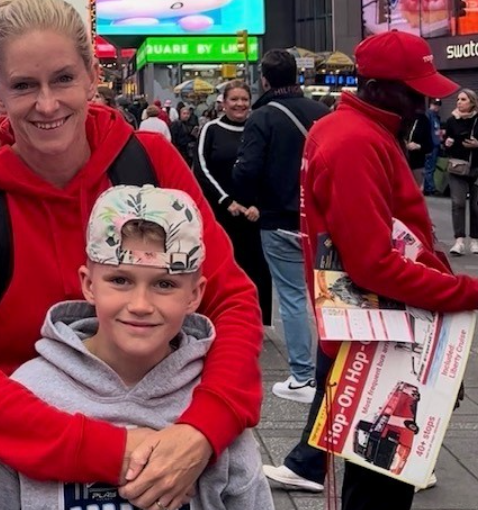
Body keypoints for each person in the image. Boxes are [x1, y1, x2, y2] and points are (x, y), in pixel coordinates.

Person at [0, 0, 264, 509]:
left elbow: (231, 299)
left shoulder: (149, 162)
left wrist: (204, 429)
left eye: (62, 79)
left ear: (92, 75)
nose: (48, 103)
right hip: (14, 470)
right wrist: (114, 449)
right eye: (23, 85)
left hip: (175, 451)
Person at [0, 185, 275, 510]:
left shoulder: (219, 416)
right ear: (89, 285)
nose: (140, 305)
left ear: (195, 295)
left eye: (164, 284)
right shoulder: (27, 396)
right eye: (120, 281)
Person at [300, 29, 476, 510]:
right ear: (377, 86)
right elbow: (373, 264)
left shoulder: (357, 131)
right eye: (413, 92)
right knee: (377, 493)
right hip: (378, 335)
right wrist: (464, 291)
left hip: (374, 328)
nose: (423, 105)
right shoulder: (356, 141)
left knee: (377, 485)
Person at [233, 49, 330, 404]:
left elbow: (247, 170)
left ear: (265, 80)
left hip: (276, 217)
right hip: (320, 220)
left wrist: (249, 195)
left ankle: (303, 377)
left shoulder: (263, 117)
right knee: (325, 296)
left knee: (291, 298)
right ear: (297, 76)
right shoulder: (322, 113)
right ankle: (332, 373)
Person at [195, 80, 273, 327]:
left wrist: (259, 204)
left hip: (254, 214)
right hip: (222, 213)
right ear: (224, 103)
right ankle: (220, 318)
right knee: (222, 266)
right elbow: (201, 168)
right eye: (234, 99)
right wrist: (226, 200)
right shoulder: (211, 129)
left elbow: (270, 169)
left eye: (244, 99)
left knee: (257, 270)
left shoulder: (258, 128)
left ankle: (257, 322)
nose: (240, 104)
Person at [443, 89, 478, 255]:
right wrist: (447, 143)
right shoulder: (451, 120)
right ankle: (459, 240)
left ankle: (475, 241)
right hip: (457, 167)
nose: (459, 102)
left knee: (476, 206)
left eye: (463, 99)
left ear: (472, 102)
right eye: (458, 99)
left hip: (476, 167)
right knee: (458, 203)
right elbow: (446, 143)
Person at [406, 110, 433, 188]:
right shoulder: (401, 116)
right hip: (400, 160)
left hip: (416, 163)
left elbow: (429, 145)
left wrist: (418, 146)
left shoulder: (423, 120)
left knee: (415, 190)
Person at [424, 98, 443, 195]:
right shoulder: (428, 115)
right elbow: (427, 131)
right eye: (434, 104)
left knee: (431, 167)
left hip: (435, 145)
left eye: (438, 104)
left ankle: (429, 188)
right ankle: (430, 188)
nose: (436, 106)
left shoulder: (435, 116)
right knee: (429, 167)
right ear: (430, 104)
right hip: (431, 145)